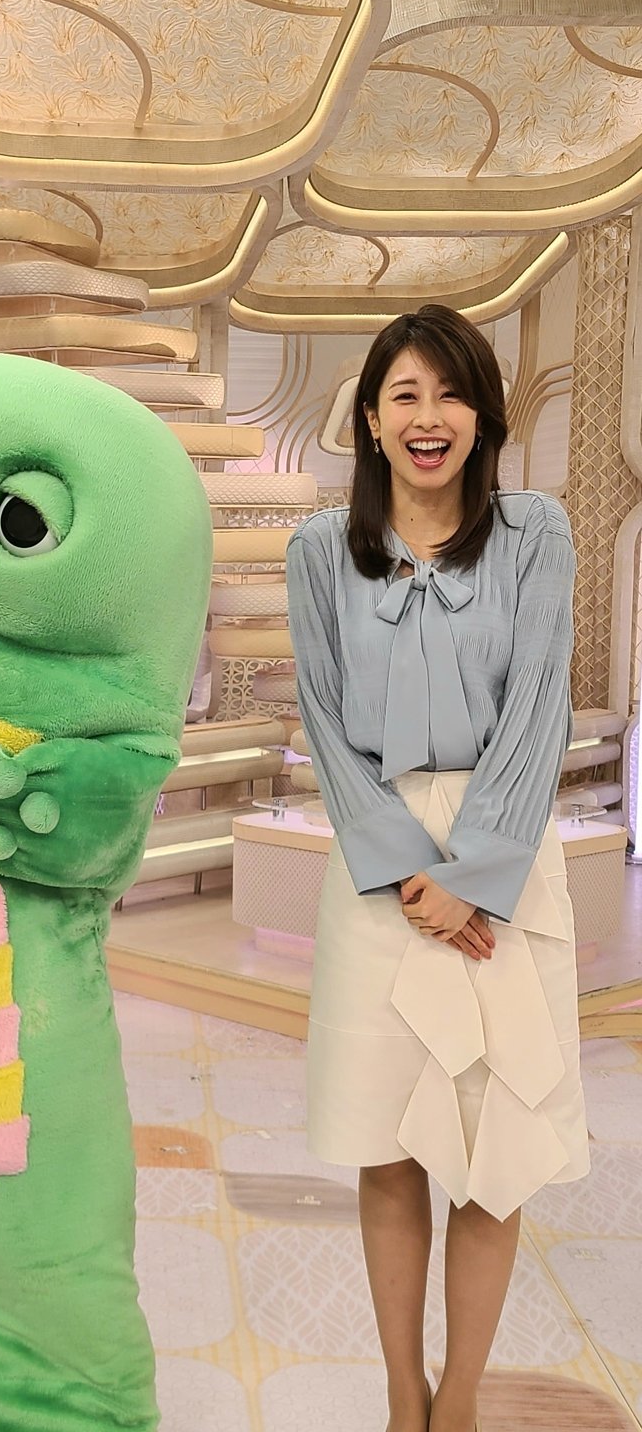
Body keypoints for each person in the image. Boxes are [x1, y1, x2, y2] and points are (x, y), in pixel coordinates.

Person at [286, 305, 587, 1432]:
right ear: (370, 420)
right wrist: (414, 875)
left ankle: (456, 1402)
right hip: (382, 881)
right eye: (405, 394)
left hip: (503, 865)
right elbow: (325, 724)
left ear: (483, 418)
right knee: (388, 1144)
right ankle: (400, 1397)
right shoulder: (320, 550)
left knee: (497, 1147)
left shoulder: (537, 533)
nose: (429, 416)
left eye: (452, 393)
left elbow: (541, 707)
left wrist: (476, 874)